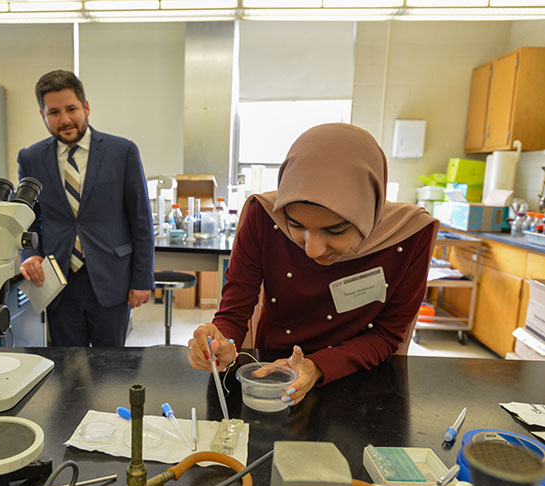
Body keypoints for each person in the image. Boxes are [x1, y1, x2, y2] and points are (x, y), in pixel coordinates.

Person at [187, 123, 438, 406]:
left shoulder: (409, 235)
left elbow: (386, 334)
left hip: (359, 383)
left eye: (335, 231)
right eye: (295, 225)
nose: (312, 249)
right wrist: (219, 342)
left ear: (370, 210)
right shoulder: (264, 216)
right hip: (272, 375)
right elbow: (234, 315)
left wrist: (316, 366)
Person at [18, 70, 154, 347]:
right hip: (58, 280)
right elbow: (28, 218)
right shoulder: (31, 158)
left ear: (86, 107)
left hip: (111, 278)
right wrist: (30, 254)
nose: (65, 119)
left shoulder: (123, 152)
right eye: (54, 112)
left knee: (112, 369)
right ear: (42, 115)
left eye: (71, 109)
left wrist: (142, 279)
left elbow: (140, 220)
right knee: (69, 369)